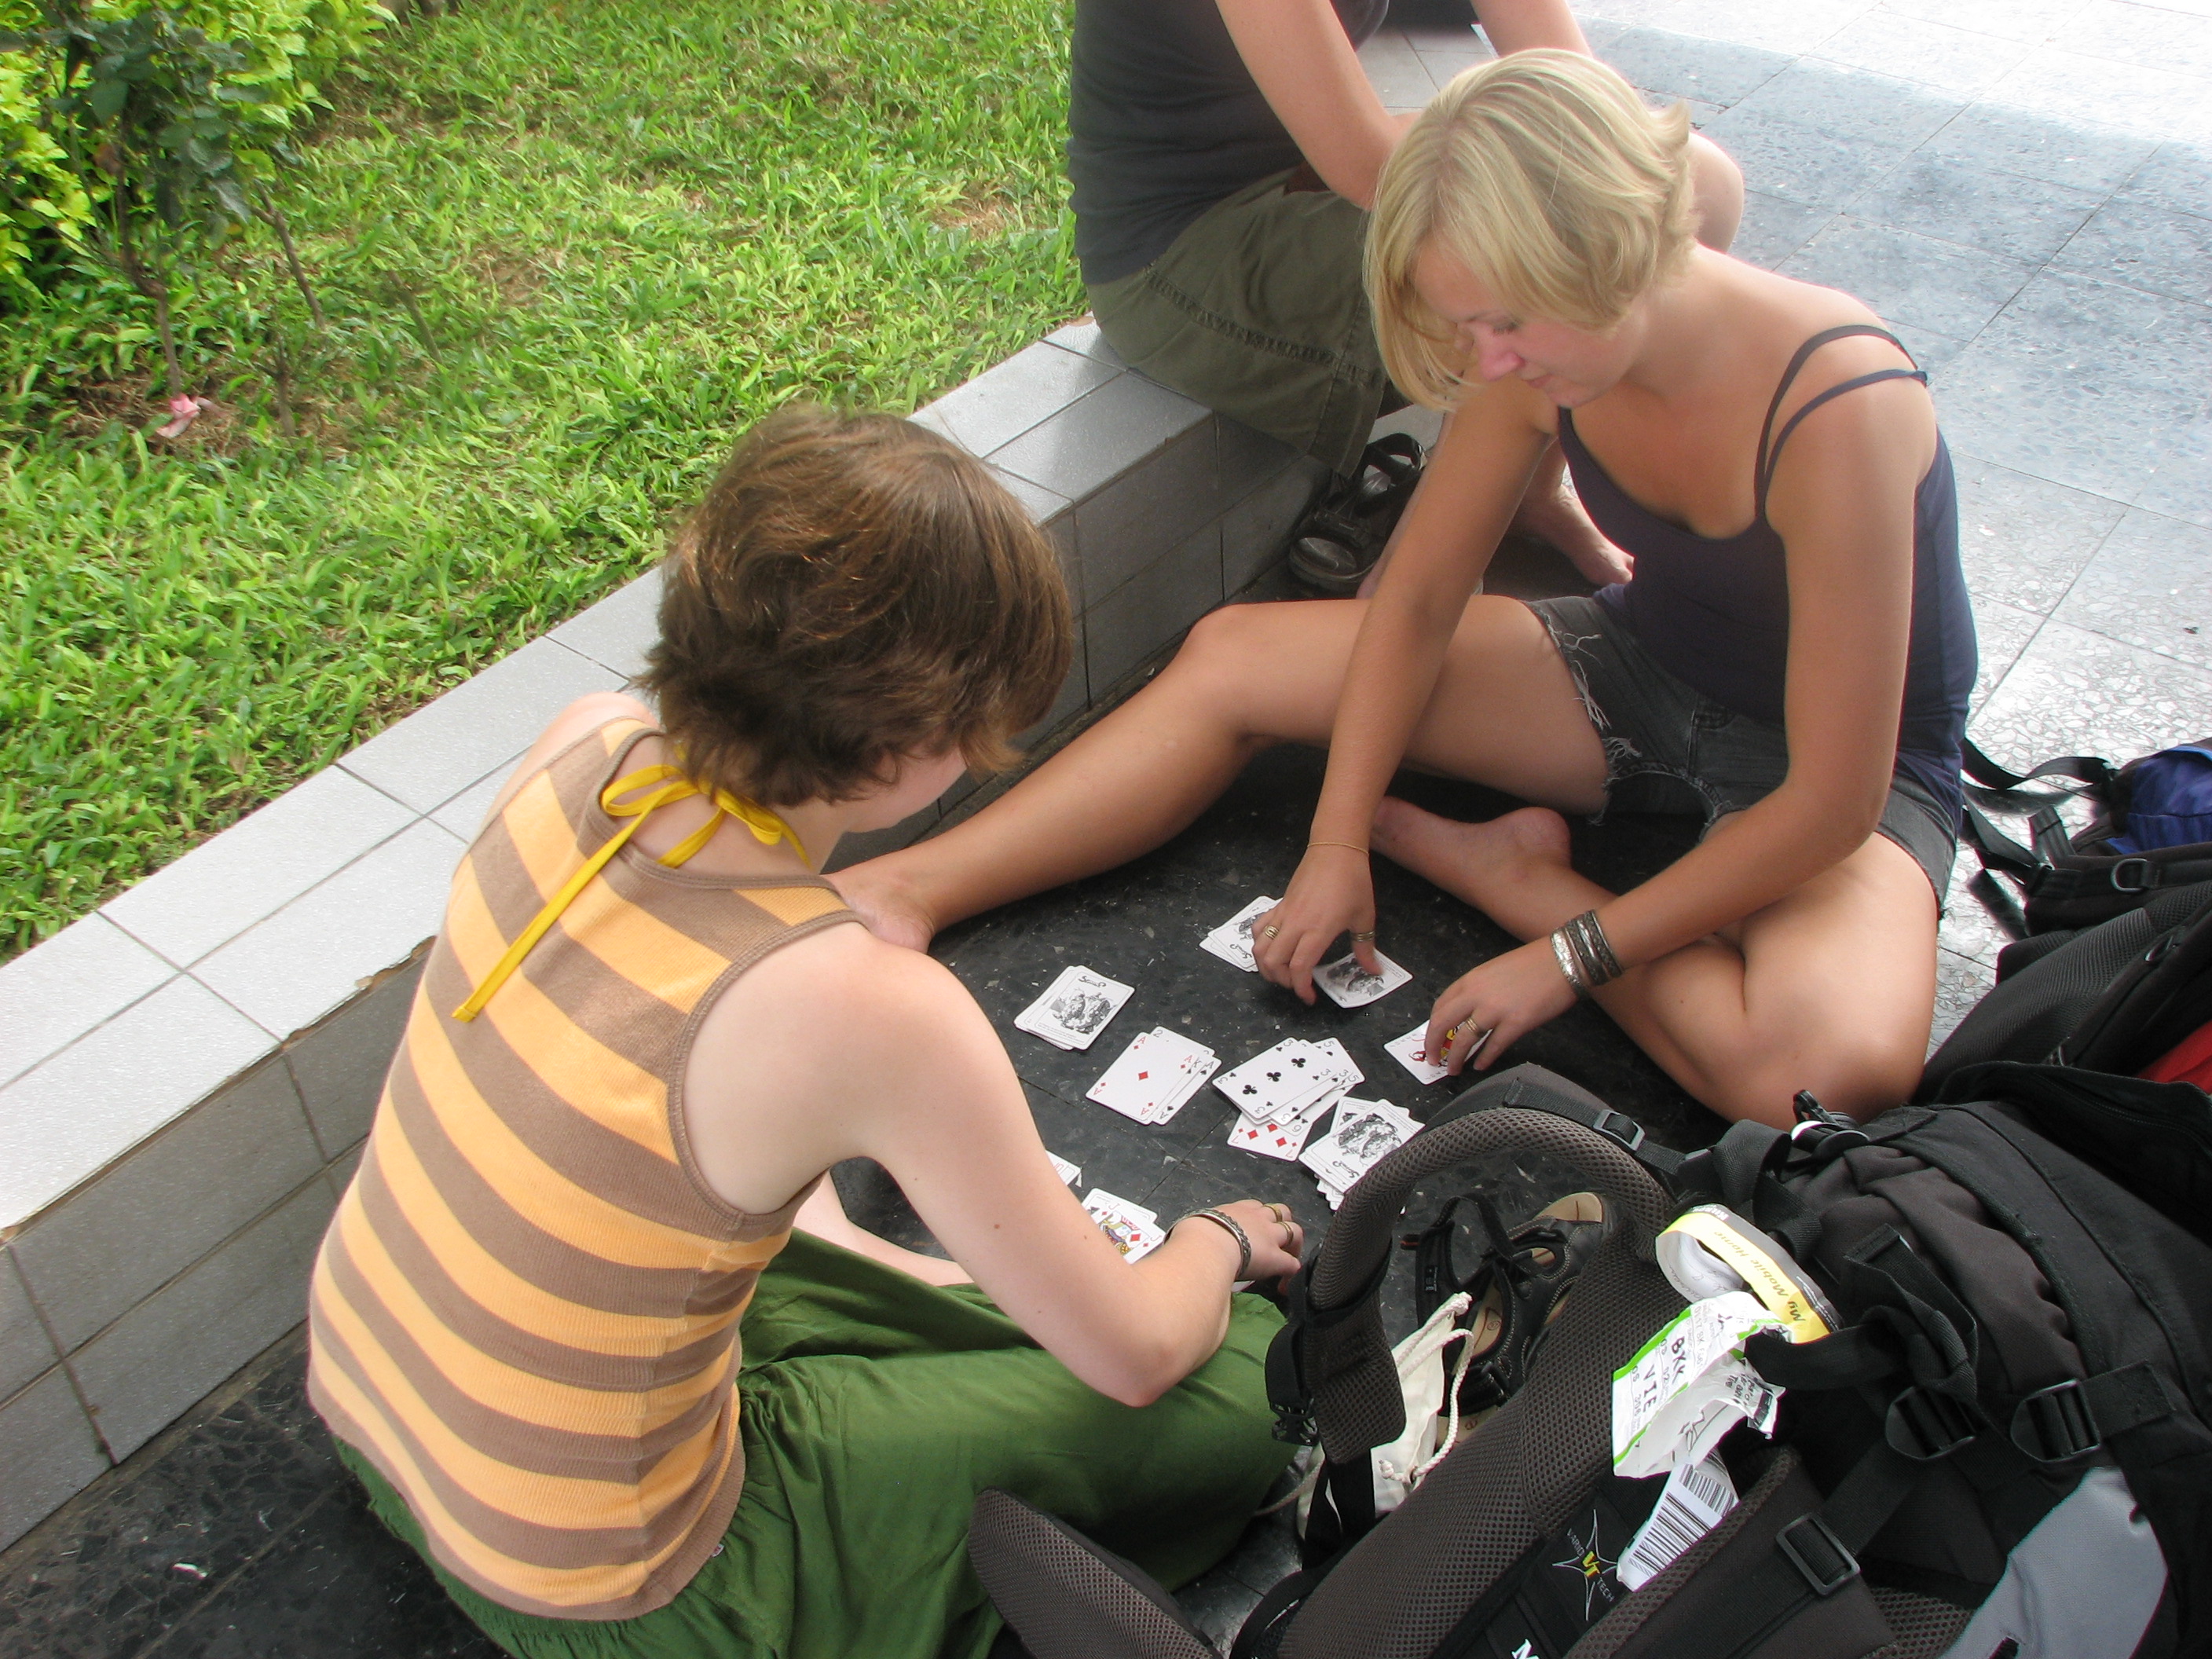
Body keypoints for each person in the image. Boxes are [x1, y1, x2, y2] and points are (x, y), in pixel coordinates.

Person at [303, 408, 1304, 1659]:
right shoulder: (866, 1008)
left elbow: (662, 1121)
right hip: (615, 1591)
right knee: (1241, 1383)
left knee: (897, 1281)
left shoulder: (584, 745)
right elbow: (1140, 1355)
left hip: (372, 1403)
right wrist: (1214, 1241)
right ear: (916, 742)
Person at [840, 54, 1976, 1130]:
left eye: (1506, 322)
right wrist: (1337, 841)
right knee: (1235, 654)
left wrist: (1567, 956)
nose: (1488, 362)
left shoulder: (1840, 406)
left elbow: (1830, 801)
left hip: (1843, 772)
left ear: (1616, 248)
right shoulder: (1534, 351)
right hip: (1643, 670)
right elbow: (1421, 598)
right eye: (1468, 325)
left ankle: (1520, 879)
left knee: (1818, 1078)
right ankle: (910, 885)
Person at [1073, 0, 1747, 584]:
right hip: (1184, 253)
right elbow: (1367, 162)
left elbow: (1585, 99)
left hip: (1309, 179)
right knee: (1506, 265)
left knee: (1696, 185)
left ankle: (1529, 494)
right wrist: (1525, 156)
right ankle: (1417, 580)